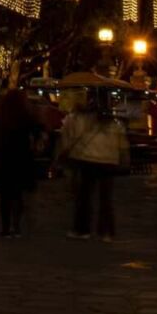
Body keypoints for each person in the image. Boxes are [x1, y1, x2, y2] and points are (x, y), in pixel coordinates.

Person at [56, 88, 130, 242]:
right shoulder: (115, 123)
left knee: (84, 197)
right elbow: (122, 144)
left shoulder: (78, 118)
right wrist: (123, 158)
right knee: (106, 198)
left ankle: (82, 229)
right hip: (108, 161)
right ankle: (106, 231)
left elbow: (67, 137)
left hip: (86, 159)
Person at [0, 88, 43, 237]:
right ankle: (16, 227)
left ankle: (5, 228)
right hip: (21, 157)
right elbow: (37, 130)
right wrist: (35, 145)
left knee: (5, 196)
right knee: (18, 194)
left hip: (3, 158)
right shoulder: (25, 115)